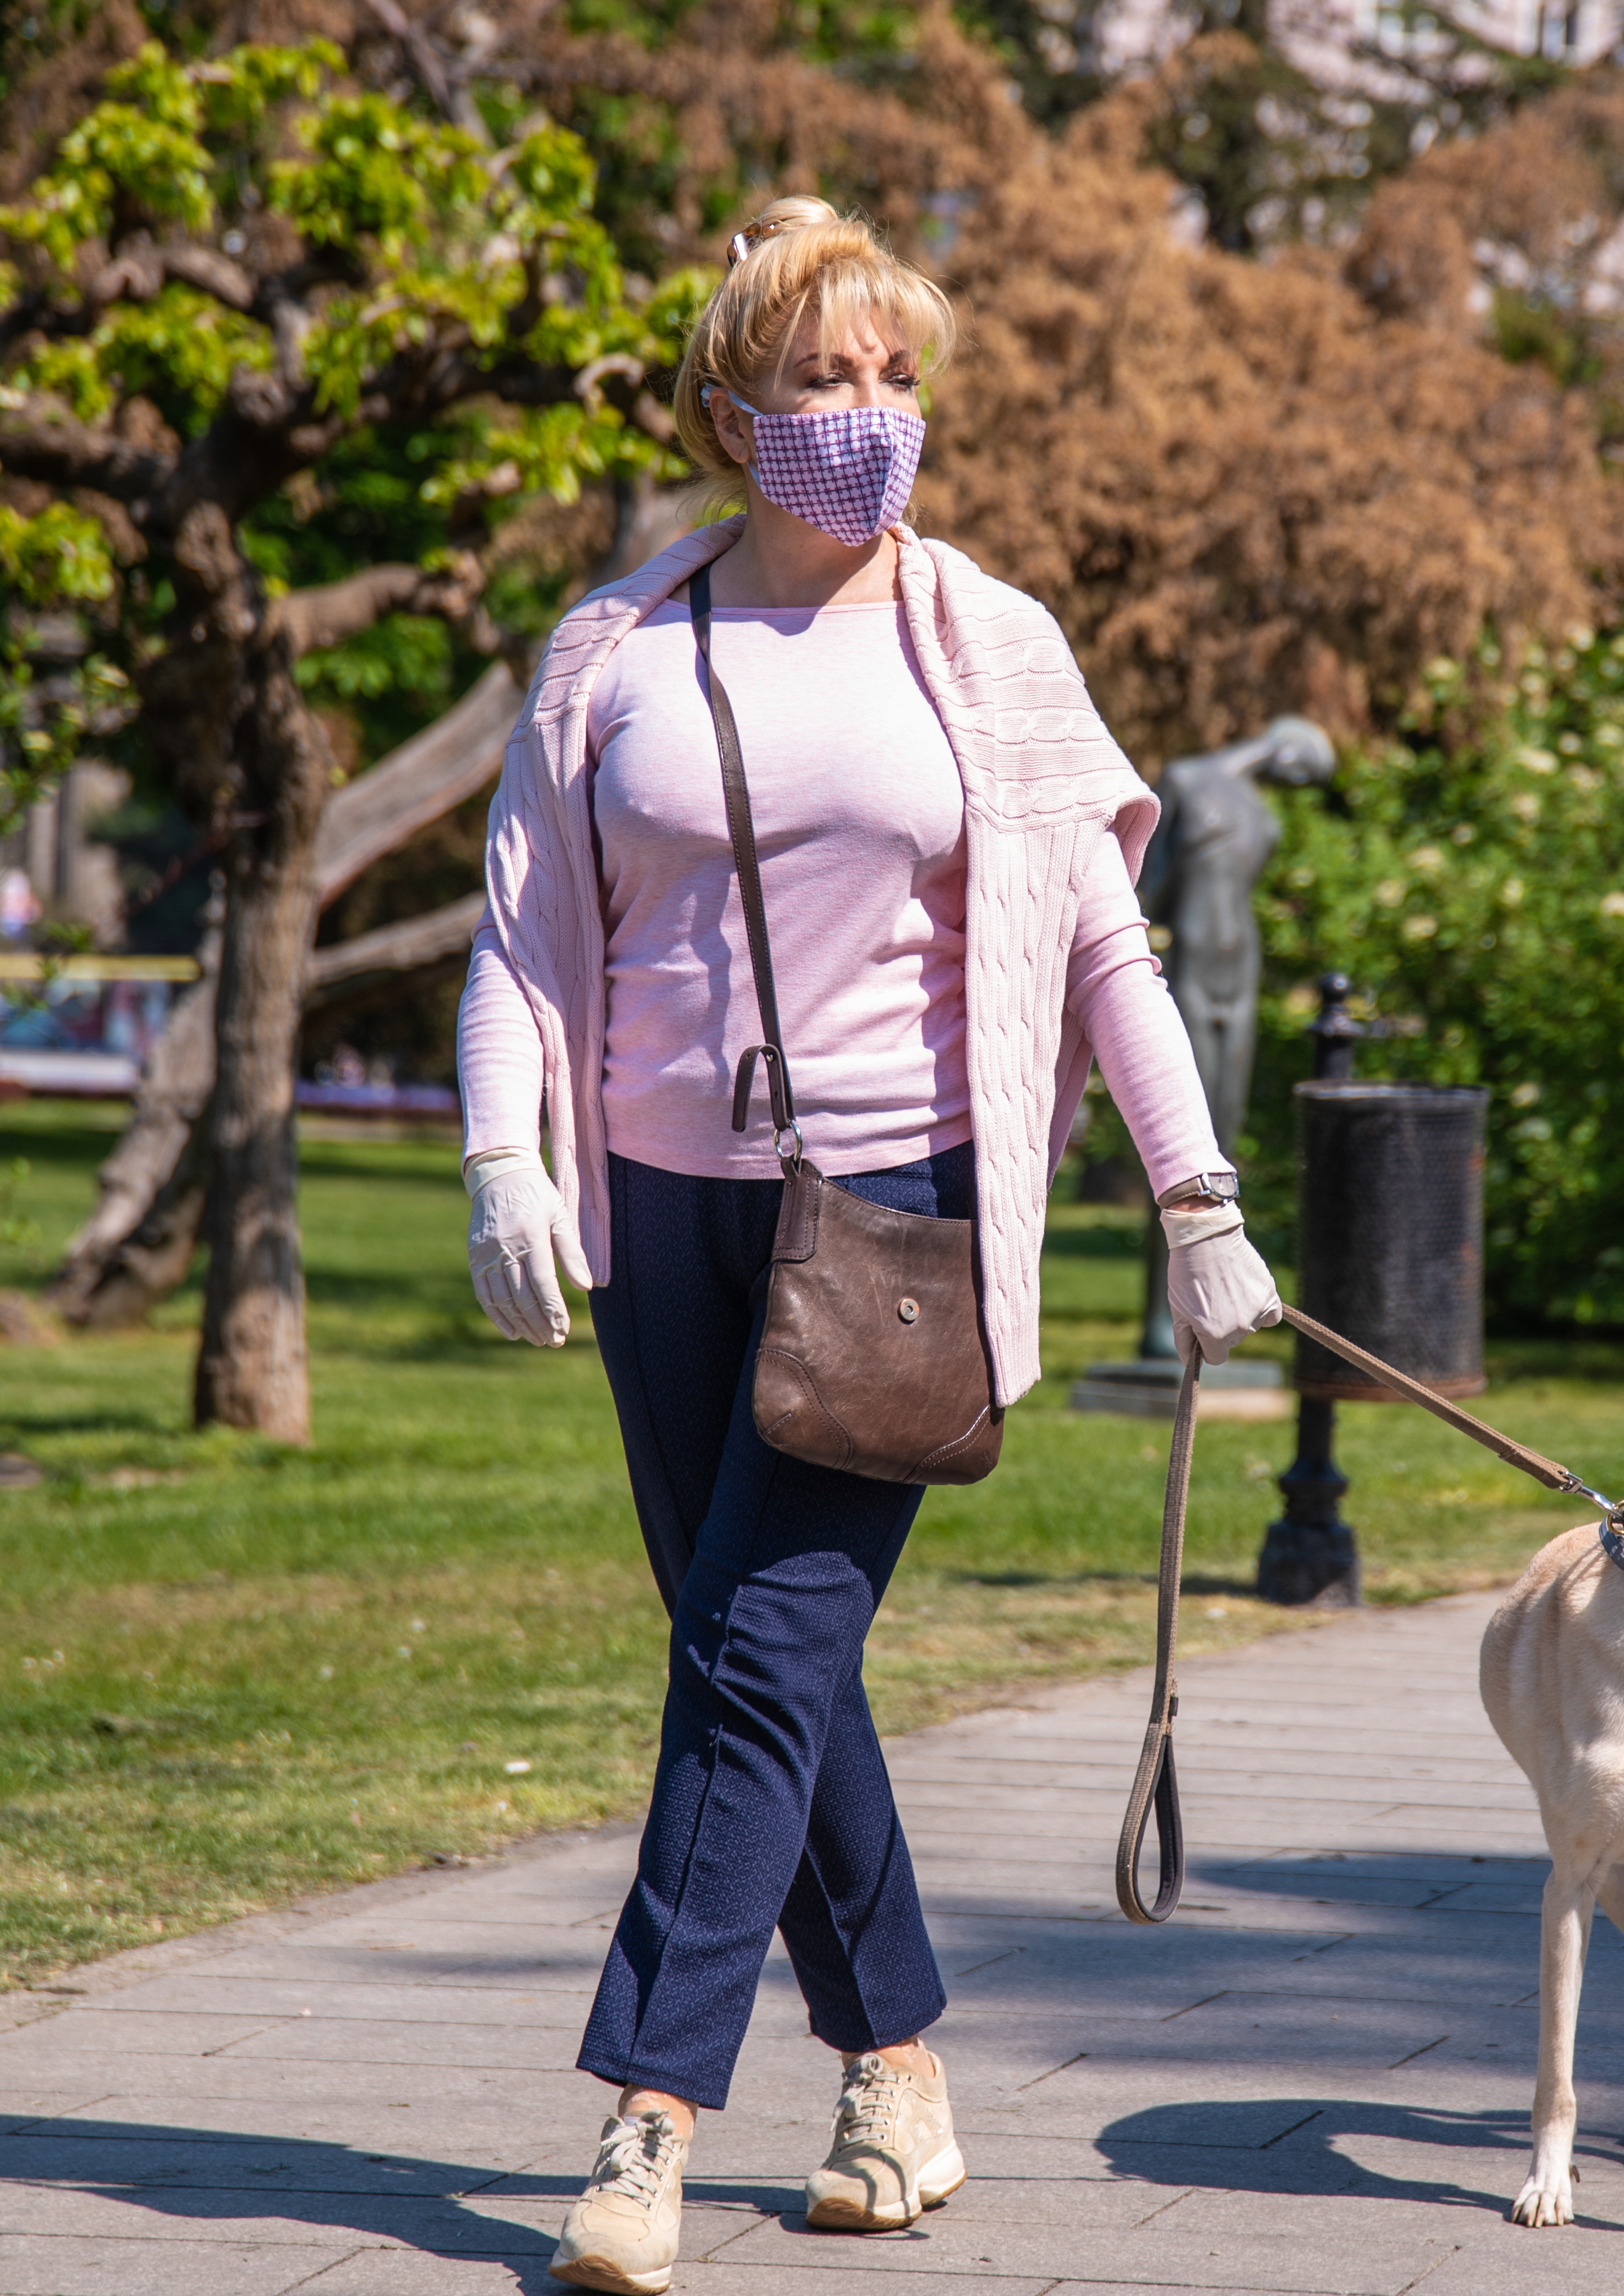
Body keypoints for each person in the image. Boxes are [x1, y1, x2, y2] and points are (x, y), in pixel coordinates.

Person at [450, 196, 1286, 2296]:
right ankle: (899, 2068)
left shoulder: (989, 643)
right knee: (760, 1657)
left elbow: (1102, 940)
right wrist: (500, 1164)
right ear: (732, 406)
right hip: (663, 1213)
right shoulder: (613, 650)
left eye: (899, 374)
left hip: (899, 1216)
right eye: (827, 375)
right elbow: (522, 940)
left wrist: (1198, 1196)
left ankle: (648, 2119)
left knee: (752, 1656)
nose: (872, 412)